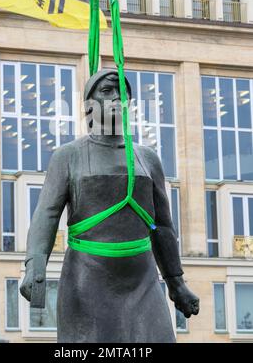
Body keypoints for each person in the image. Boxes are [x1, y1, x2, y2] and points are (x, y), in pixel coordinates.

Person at [20, 69, 199, 343]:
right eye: (107, 91)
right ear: (89, 104)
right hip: (87, 276)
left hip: (142, 279)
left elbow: (160, 225)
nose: (117, 97)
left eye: (122, 92)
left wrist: (176, 283)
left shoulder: (147, 158)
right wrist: (34, 266)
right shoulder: (68, 156)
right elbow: (47, 213)